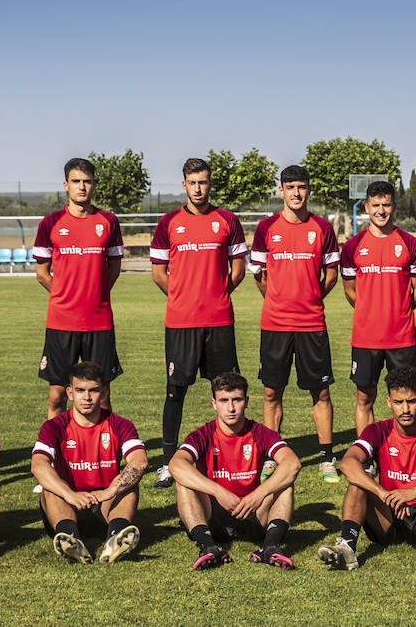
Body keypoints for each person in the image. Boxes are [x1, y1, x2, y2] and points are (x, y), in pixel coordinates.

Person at [149, 158, 247, 489]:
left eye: (203, 182)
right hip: (181, 322)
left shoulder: (227, 220)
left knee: (226, 392)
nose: (199, 188)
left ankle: (224, 460)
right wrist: (181, 295)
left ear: (210, 183)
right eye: (193, 182)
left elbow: (238, 269)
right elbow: (159, 273)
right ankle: (167, 463)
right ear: (184, 185)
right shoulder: (168, 223)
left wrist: (217, 293)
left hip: (219, 321)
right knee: (175, 392)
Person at [317, 366, 416, 574]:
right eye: (398, 402)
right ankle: (346, 547)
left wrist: (415, 491)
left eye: (411, 401)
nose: (405, 409)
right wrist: (383, 493)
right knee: (359, 480)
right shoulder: (378, 430)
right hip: (388, 514)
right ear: (389, 402)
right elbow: (347, 463)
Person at [249, 165, 341, 482]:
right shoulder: (265, 229)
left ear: (308, 190)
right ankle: (271, 455)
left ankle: (327, 458)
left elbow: (331, 275)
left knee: (321, 393)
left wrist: (313, 296)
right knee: (272, 393)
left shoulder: (323, 229)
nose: (296, 193)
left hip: (312, 323)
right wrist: (277, 297)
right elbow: (259, 276)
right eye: (290, 188)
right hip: (275, 324)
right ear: (281, 191)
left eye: (301, 187)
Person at [171, 372, 301, 570]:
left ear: (246, 401)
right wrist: (218, 492)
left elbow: (292, 464)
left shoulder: (260, 433)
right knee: (184, 483)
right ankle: (208, 547)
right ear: (214, 403)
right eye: (224, 400)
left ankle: (270, 547)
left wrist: (258, 495)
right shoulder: (203, 434)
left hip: (253, 514)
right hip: (214, 518)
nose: (231, 408)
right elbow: (175, 465)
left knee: (285, 485)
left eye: (237, 400)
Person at [32, 157, 125, 421]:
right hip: (62, 322)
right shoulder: (50, 223)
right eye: (76, 181)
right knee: (57, 396)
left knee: (102, 395)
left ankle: (103, 457)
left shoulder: (108, 221)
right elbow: (41, 273)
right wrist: (66, 295)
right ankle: (54, 455)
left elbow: (114, 268)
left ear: (94, 184)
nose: (81, 187)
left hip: (99, 321)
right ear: (65, 185)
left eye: (87, 181)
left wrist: (95, 294)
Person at [32, 362, 147, 564]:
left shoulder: (120, 425)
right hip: (66, 506)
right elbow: (38, 465)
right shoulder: (54, 426)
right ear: (69, 393)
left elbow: (139, 462)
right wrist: (70, 494)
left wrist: (110, 491)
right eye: (80, 391)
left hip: (106, 506)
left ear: (103, 392)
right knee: (50, 487)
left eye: (93, 391)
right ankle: (70, 537)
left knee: (130, 483)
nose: (86, 397)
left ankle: (116, 537)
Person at [339, 180, 416, 436]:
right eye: (376, 205)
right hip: (366, 338)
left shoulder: (409, 243)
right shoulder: (353, 246)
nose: (381, 211)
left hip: (401, 338)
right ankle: (366, 454)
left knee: (408, 399)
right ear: (366, 207)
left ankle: (405, 450)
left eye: (386, 205)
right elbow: (350, 291)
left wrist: (397, 312)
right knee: (365, 397)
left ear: (394, 207)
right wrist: (371, 311)